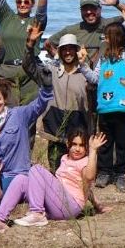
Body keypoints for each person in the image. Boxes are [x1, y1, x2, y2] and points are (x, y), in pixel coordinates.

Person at [0, 131, 109, 234]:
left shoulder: (85, 161)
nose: (77, 149)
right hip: (56, 203)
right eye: (74, 144)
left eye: (81, 146)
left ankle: (37, 213)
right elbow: (83, 188)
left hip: (71, 206)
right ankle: (0, 221)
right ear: (68, 145)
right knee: (21, 179)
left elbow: (89, 178)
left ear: (86, 148)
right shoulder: (64, 159)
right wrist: (98, 206)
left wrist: (93, 151)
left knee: (36, 169)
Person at [78, 10, 125, 192]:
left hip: (121, 108)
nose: (103, 39)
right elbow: (94, 79)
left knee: (121, 142)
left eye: (106, 36)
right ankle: (104, 171)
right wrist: (82, 65)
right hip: (104, 108)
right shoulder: (103, 60)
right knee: (105, 141)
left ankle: (120, 173)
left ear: (116, 38)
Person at [22, 26, 90, 172]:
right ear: (59, 52)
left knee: (76, 171)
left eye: (71, 49)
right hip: (54, 127)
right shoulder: (51, 71)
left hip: (78, 130)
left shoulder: (86, 73)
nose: (67, 52)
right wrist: (30, 45)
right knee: (55, 170)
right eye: (64, 49)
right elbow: (29, 66)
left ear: (76, 51)